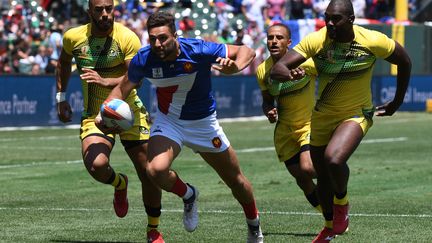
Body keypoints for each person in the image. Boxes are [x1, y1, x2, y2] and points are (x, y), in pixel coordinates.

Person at [99, 11, 264, 243]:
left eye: (164, 38)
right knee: (154, 170)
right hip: (169, 122)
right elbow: (122, 88)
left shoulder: (198, 50)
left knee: (235, 180)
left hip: (204, 123)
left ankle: (254, 225)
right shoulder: (144, 59)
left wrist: (235, 67)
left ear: (176, 35)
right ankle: (189, 195)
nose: (158, 43)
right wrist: (104, 112)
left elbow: (247, 51)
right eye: (153, 38)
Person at [270, 0, 411, 242]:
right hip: (322, 117)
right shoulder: (318, 39)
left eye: (336, 18)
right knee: (322, 177)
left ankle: (342, 203)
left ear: (351, 19)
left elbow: (404, 61)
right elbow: (278, 68)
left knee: (333, 160)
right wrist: (288, 72)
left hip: (356, 114)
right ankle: (328, 228)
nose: (330, 23)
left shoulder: (372, 40)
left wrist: (397, 101)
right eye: (327, 17)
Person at [55, 0, 164, 242]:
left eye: (109, 9)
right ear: (89, 11)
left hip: (129, 111)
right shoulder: (73, 37)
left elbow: (135, 78)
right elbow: (62, 63)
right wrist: (61, 97)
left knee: (148, 172)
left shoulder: (127, 37)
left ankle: (153, 229)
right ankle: (119, 183)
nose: (105, 14)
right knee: (96, 166)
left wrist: (105, 82)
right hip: (95, 114)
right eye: (99, 10)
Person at [256, 23, 321, 215]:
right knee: (302, 179)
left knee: (308, 168)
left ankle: (335, 172)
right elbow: (267, 101)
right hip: (284, 131)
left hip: (309, 124)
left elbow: (328, 79)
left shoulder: (306, 63)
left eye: (279, 38)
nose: (274, 41)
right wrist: (269, 111)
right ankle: (329, 214)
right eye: (270, 38)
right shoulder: (262, 71)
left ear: (289, 42)